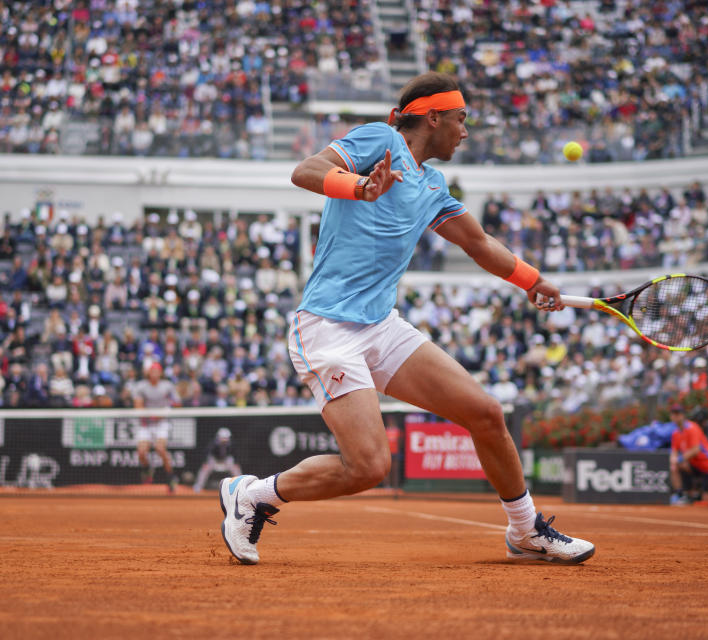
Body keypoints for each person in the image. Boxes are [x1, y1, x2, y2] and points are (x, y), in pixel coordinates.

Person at [218, 72, 594, 566]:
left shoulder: (433, 184)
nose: (465, 132)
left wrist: (532, 280)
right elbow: (305, 170)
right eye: (460, 120)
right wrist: (358, 186)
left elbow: (478, 244)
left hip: (380, 327)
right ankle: (253, 495)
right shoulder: (382, 139)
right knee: (369, 466)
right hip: (327, 328)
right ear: (433, 117)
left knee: (486, 414)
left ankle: (525, 531)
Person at [133, 362, 181, 491]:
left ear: (160, 373)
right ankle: (147, 469)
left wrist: (165, 411)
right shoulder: (141, 386)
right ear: (148, 373)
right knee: (142, 453)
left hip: (162, 423)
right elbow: (138, 406)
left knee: (160, 449)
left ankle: (171, 477)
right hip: (145, 424)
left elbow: (177, 402)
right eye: (152, 371)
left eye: (157, 371)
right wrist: (150, 415)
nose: (154, 374)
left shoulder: (167, 386)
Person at [668, 404, 708, 505]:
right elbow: (674, 451)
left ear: (683, 415)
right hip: (696, 465)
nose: (675, 416)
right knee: (675, 467)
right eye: (673, 414)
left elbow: (695, 450)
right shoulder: (675, 433)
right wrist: (673, 461)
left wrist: (678, 459)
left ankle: (698, 495)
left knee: (707, 500)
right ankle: (681, 494)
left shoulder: (692, 428)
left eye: (678, 413)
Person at [193, 428, 243, 492]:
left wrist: (236, 463)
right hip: (215, 461)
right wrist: (205, 463)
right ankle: (198, 486)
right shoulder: (213, 444)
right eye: (223, 438)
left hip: (226, 461)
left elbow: (235, 454)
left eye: (226, 438)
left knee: (235, 468)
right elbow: (207, 453)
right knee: (205, 468)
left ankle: (240, 486)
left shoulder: (231, 444)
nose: (224, 439)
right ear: (218, 437)